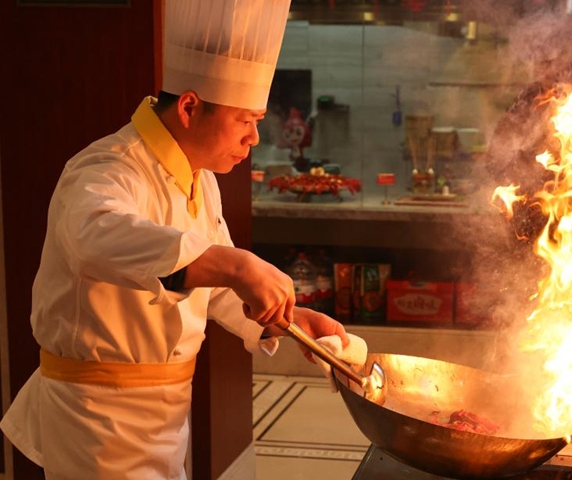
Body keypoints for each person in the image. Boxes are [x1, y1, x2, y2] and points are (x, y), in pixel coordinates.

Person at [0, 1, 356, 479]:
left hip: (166, 414)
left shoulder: (199, 177)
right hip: (97, 419)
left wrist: (289, 324)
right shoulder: (107, 168)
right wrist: (237, 265)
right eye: (244, 120)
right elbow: (96, 236)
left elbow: (211, 285)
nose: (254, 137)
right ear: (189, 106)